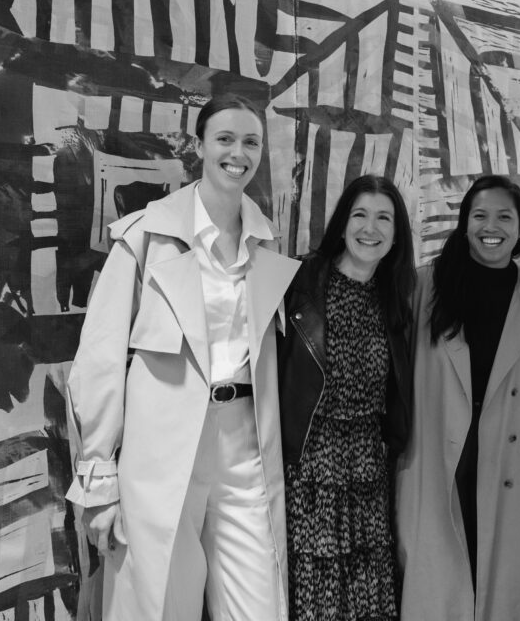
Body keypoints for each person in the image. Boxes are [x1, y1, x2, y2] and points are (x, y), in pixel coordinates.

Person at [65, 93, 300, 621]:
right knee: (158, 603)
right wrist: (99, 474)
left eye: (250, 141)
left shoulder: (267, 244)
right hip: (165, 448)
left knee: (260, 604)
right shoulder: (147, 234)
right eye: (224, 138)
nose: (238, 152)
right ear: (198, 146)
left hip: (246, 445)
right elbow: (100, 359)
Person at [396, 175, 520, 621]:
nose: (491, 226)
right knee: (440, 575)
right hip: (439, 448)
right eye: (479, 215)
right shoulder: (425, 285)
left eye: (505, 216)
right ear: (464, 225)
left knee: (502, 575)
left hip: (510, 452)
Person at [278, 175, 416, 621]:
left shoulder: (396, 295)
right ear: (342, 224)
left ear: (396, 235)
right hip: (310, 464)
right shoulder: (299, 282)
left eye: (383, 218)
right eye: (359, 214)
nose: (370, 228)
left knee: (367, 589)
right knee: (316, 592)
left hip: (368, 464)